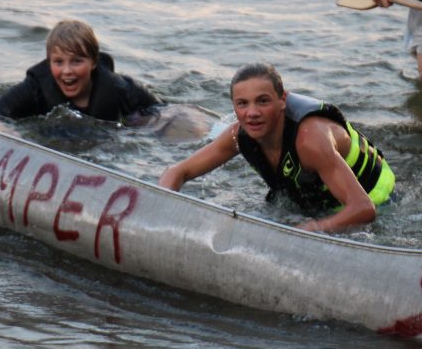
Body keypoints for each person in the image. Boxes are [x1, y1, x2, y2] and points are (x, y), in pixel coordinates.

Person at [159, 63, 395, 234]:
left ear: (283, 100)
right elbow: (177, 172)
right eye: (243, 104)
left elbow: (364, 209)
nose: (252, 113)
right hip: (314, 200)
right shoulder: (237, 136)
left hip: (378, 198)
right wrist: (164, 212)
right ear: (234, 107)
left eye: (262, 101)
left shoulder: (309, 140)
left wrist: (311, 229)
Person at [0, 19, 162, 129]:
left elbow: (171, 113)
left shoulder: (121, 88)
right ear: (49, 62)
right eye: (58, 62)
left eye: (77, 61)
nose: (67, 71)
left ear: (94, 62)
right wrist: (11, 137)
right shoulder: (35, 88)